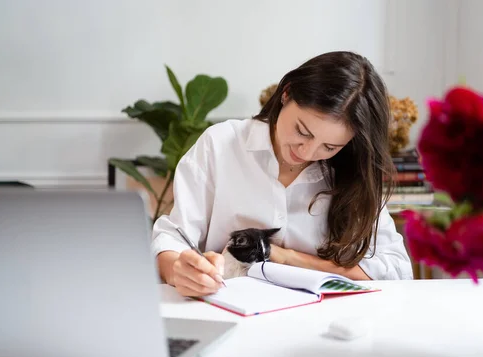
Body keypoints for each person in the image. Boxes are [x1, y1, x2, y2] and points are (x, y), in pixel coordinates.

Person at [152, 51, 413, 297]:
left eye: (330, 146)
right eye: (303, 131)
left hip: (320, 323)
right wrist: (179, 270)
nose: (308, 151)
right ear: (287, 94)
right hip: (227, 312)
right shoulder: (220, 144)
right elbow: (172, 239)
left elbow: (396, 269)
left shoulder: (353, 172)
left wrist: (282, 257)